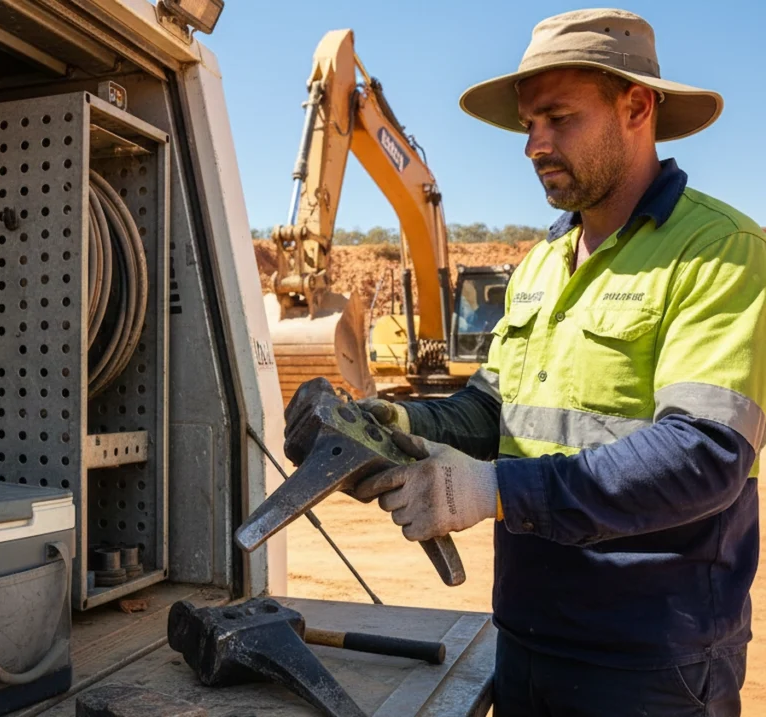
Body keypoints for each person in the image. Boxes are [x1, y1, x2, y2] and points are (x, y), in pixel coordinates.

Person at [293, 9, 766, 716]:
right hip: (525, 637)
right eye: (527, 125)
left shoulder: (719, 250)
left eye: (557, 118)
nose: (533, 144)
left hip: (651, 661)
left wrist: (493, 492)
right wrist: (390, 418)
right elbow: (489, 409)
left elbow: (703, 453)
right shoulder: (542, 264)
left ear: (637, 105)